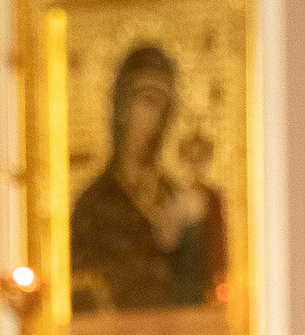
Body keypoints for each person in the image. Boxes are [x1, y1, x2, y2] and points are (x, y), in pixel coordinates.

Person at [68, 40, 226, 310]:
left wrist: (186, 240)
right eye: (149, 99)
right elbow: (83, 295)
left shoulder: (182, 199)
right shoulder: (93, 206)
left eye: (168, 105)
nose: (160, 117)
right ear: (121, 107)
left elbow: (207, 291)